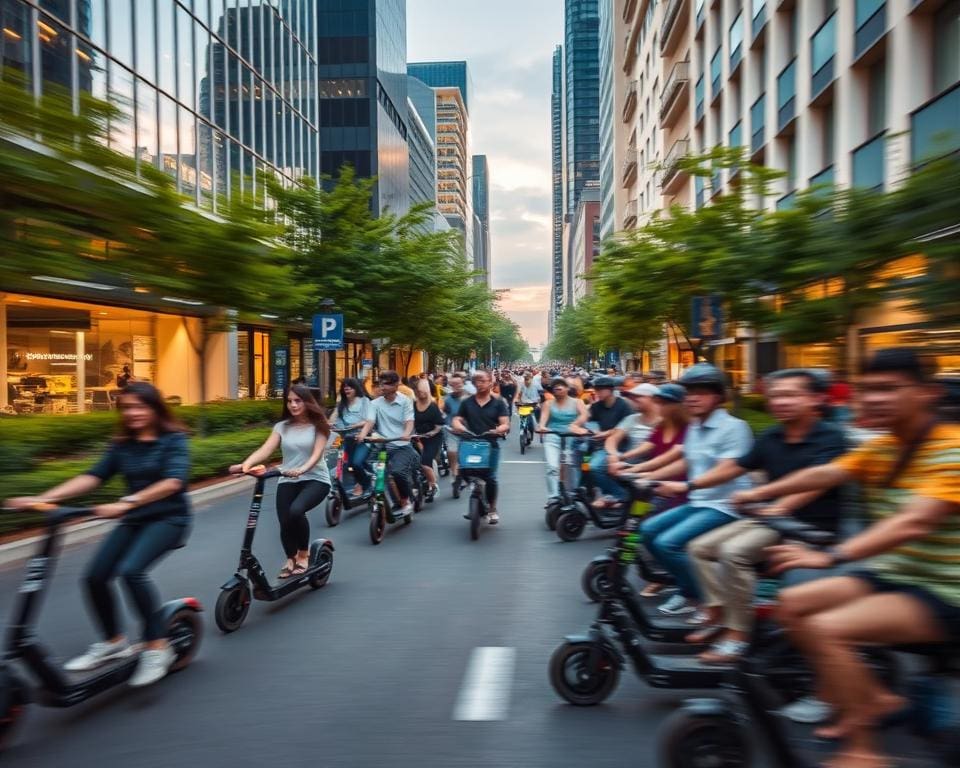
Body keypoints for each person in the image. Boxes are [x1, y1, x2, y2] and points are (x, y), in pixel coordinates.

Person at [733, 349, 960, 767]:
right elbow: (827, 473)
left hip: (943, 590)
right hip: (893, 575)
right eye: (869, 390)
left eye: (889, 389)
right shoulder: (887, 446)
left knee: (828, 629)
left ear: (927, 394)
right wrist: (758, 493)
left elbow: (912, 523)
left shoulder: (951, 450)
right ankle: (874, 699)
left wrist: (830, 555)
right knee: (791, 605)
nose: (874, 399)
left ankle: (864, 751)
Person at [5, 382, 192, 687]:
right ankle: (113, 642)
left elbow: (173, 482)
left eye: (139, 406)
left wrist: (127, 501)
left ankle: (158, 647)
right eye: (126, 407)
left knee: (131, 572)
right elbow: (93, 477)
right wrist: (45, 499)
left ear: (155, 408)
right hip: (135, 519)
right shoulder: (123, 445)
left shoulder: (173, 440)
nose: (132, 413)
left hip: (169, 519)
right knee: (95, 576)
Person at [665, 370, 847, 663]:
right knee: (698, 548)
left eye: (790, 394)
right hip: (771, 519)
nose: (780, 401)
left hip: (807, 527)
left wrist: (777, 505)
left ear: (816, 399)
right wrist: (690, 485)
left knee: (733, 552)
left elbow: (817, 481)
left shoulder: (831, 437)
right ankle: (719, 611)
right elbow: (737, 466)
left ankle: (740, 634)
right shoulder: (772, 435)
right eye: (775, 395)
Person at [639, 364, 754, 616]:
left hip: (725, 506)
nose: (692, 398)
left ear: (718, 397)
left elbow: (729, 469)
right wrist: (643, 475)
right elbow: (686, 461)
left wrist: (686, 485)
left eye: (701, 392)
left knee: (668, 543)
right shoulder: (695, 427)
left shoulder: (734, 428)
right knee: (647, 530)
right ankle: (689, 588)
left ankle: (708, 599)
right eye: (689, 392)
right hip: (699, 502)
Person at [232, 384, 332, 579]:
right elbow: (266, 449)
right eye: (289, 401)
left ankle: (304, 554)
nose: (293, 405)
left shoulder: (319, 426)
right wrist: (246, 465)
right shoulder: (282, 427)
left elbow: (316, 454)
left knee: (296, 511)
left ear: (307, 402)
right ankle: (291, 558)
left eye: (298, 400)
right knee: (285, 520)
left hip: (315, 479)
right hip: (287, 478)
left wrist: (302, 469)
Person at [356, 370, 419, 517]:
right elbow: (370, 421)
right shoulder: (374, 403)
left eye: (386, 384)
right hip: (382, 445)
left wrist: (406, 434)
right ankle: (371, 493)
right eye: (381, 383)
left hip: (401, 445)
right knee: (364, 467)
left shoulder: (405, 400)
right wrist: (363, 435)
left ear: (396, 385)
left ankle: (405, 500)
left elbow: (409, 421)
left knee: (397, 472)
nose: (382, 387)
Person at [452, 370, 510, 524]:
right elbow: (457, 419)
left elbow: (505, 423)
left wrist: (499, 429)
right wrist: (458, 426)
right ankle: (475, 496)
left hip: (490, 443)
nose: (479, 384)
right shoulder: (467, 402)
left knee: (491, 477)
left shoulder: (498, 402)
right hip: (470, 442)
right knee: (463, 471)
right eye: (476, 381)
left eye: (483, 380)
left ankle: (492, 509)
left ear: (491, 382)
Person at [584, 376, 634, 506]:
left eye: (600, 389)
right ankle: (591, 491)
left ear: (610, 390)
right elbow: (585, 419)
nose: (596, 392)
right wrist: (576, 425)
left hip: (619, 446)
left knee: (594, 466)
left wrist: (605, 434)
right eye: (595, 389)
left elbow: (626, 428)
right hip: (599, 445)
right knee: (583, 461)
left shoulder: (624, 406)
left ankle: (619, 494)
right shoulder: (596, 406)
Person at [538, 377, 590, 502]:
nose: (558, 388)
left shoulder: (577, 402)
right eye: (555, 386)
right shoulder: (548, 403)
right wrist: (542, 427)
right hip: (553, 436)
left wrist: (576, 425)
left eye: (561, 385)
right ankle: (553, 497)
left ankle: (573, 494)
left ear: (567, 388)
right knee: (552, 467)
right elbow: (543, 419)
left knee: (570, 466)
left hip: (572, 437)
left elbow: (584, 415)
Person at [332, 377, 372, 495]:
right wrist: (334, 427)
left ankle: (366, 484)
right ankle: (358, 483)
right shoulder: (341, 405)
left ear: (356, 389)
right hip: (348, 440)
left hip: (363, 439)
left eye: (350, 387)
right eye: (345, 388)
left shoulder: (365, 401)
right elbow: (338, 421)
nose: (347, 389)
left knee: (356, 463)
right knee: (348, 465)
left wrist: (356, 426)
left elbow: (370, 420)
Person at [413, 378, 445, 501]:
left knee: (425, 462)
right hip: (416, 437)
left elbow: (439, 426)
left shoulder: (432, 407)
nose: (420, 394)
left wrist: (431, 433)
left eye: (422, 391)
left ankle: (433, 485)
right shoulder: (413, 405)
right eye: (418, 391)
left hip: (433, 438)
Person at [443, 373, 470, 490]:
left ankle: (465, 475)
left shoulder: (469, 398)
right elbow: (442, 412)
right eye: (453, 385)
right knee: (451, 451)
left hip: (467, 432)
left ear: (462, 383)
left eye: (458, 384)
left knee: (466, 456)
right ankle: (453, 471)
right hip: (452, 431)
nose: (456, 386)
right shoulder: (447, 399)